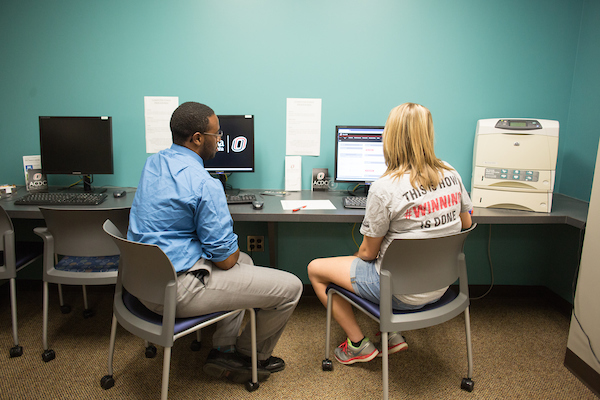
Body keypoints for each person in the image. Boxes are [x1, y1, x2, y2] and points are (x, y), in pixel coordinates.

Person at [128, 101, 303, 383]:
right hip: (175, 291)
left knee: (246, 261)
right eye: (217, 134)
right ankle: (249, 357)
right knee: (290, 288)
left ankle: (224, 349)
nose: (220, 140)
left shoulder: (154, 163)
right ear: (197, 138)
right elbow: (225, 259)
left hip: (140, 282)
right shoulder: (204, 183)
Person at [307, 102, 473, 365]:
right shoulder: (451, 173)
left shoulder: (385, 187)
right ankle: (391, 333)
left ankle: (358, 345)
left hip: (400, 294)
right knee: (364, 263)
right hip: (441, 286)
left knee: (316, 269)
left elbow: (368, 252)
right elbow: (465, 223)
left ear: (391, 138)